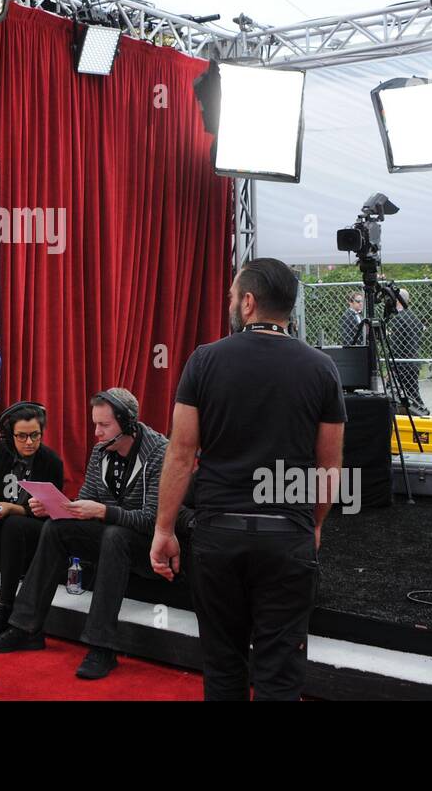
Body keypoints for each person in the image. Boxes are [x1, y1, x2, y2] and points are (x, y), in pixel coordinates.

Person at [151, 258, 346, 701]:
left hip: (219, 536)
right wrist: (312, 526)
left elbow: (180, 454)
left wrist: (164, 529)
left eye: (233, 296)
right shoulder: (321, 368)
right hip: (286, 538)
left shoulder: (204, 360)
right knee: (280, 672)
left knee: (223, 666)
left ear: (250, 302)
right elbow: (330, 467)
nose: (231, 304)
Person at [0, 388, 166, 681]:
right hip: (110, 536)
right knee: (58, 528)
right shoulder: (100, 452)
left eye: (104, 425)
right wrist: (57, 508)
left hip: (146, 544)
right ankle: (25, 628)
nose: (96, 432)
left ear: (128, 424)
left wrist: (102, 512)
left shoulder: (160, 453)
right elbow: (85, 501)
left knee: (115, 536)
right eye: (95, 424)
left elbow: (153, 519)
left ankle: (101, 646)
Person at [0, 401, 64, 636]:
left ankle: (3, 606)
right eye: (22, 436)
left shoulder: (51, 461)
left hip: (32, 534)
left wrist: (13, 508)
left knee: (14, 524)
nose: (29, 442)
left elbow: (54, 512)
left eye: (35, 435)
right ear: (10, 435)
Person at [387, 288, 427, 416]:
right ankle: (420, 410)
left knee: (399, 391)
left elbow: (396, 346)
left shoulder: (398, 319)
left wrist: (392, 367)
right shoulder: (413, 317)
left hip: (402, 363)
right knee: (412, 391)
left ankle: (422, 412)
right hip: (412, 360)